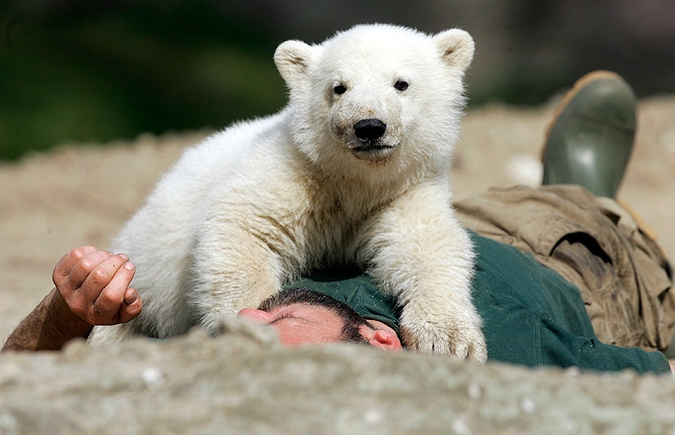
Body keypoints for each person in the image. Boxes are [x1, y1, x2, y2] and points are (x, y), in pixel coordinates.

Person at [3, 71, 673, 374]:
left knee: (419, 210)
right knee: (583, 224)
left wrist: (67, 311)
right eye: (277, 329)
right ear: (380, 345)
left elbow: (22, 394)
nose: (245, 317)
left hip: (438, 229)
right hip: (576, 273)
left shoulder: (211, 347)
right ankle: (588, 195)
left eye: (251, 328)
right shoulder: (514, 353)